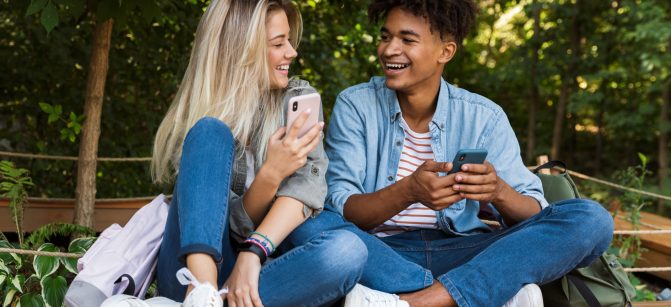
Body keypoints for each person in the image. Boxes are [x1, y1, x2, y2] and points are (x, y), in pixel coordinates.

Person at [286, 0, 614, 306]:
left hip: (465, 251)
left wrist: (498, 192)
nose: (389, 49)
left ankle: (416, 301)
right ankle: (477, 291)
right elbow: (343, 208)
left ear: (446, 50)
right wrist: (408, 192)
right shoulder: (356, 104)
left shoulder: (484, 116)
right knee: (302, 219)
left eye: (407, 39)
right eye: (385, 36)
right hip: (380, 253)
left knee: (591, 219)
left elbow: (534, 215)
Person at [150, 1, 367, 306]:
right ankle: (201, 291)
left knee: (347, 250)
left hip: (254, 279)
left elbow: (266, 217)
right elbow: (221, 226)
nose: (292, 52)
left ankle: (216, 301)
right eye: (279, 43)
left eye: (289, 41)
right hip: (187, 276)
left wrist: (252, 253)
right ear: (242, 52)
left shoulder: (298, 100)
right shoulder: (206, 118)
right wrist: (271, 174)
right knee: (210, 131)